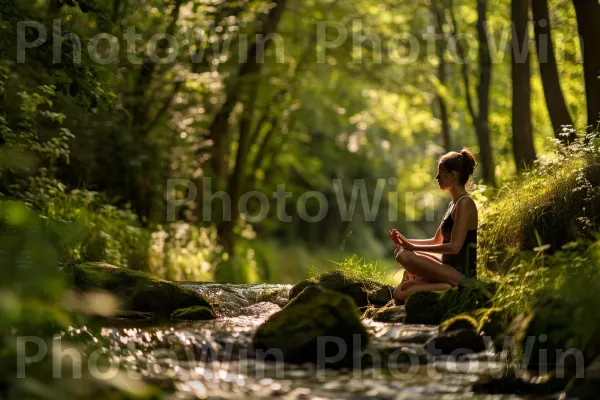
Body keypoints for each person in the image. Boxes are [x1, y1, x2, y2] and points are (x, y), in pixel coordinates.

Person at [389, 148, 478, 302]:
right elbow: (436, 241)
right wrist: (406, 242)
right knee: (400, 291)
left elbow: (454, 247)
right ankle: (447, 287)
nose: (437, 177)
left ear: (453, 174)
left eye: (441, 172)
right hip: (446, 270)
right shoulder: (453, 204)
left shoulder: (465, 203)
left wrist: (414, 248)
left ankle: (457, 288)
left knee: (404, 254)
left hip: (461, 275)